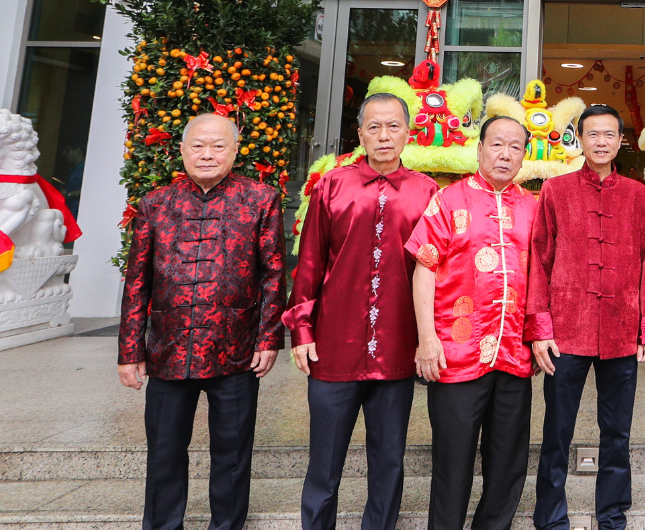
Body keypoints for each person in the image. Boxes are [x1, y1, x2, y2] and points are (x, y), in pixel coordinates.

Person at [118, 113, 286, 530]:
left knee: (232, 455)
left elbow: (273, 274)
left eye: (218, 146)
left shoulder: (260, 199)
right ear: (182, 150)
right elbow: (137, 281)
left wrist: (268, 339)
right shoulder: (156, 203)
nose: (207, 154)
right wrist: (130, 351)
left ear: (235, 151)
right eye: (198, 145)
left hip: (236, 348)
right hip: (169, 350)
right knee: (164, 451)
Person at [284, 94, 439, 530]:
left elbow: (435, 272)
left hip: (397, 347)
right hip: (334, 348)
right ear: (360, 134)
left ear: (408, 133)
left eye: (393, 126)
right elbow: (309, 263)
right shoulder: (332, 186)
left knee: (389, 461)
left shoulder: (427, 192)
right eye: (374, 127)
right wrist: (302, 331)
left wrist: (428, 339)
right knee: (324, 463)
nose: (384, 136)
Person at [526, 105, 645, 530]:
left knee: (617, 431)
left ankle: (612, 513)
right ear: (580, 140)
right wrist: (540, 327)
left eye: (609, 135)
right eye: (592, 134)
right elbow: (539, 259)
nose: (601, 142)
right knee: (556, 430)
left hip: (621, 329)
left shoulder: (638, 195)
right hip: (567, 329)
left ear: (620, 140)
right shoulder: (556, 190)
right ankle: (550, 516)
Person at [405, 116, 539, 530]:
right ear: (479, 149)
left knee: (508, 466)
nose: (505, 154)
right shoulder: (448, 200)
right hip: (456, 355)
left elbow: (544, 276)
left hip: (514, 354)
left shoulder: (533, 207)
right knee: (452, 464)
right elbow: (424, 267)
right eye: (497, 144)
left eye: (515, 147)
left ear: (524, 156)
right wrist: (426, 338)